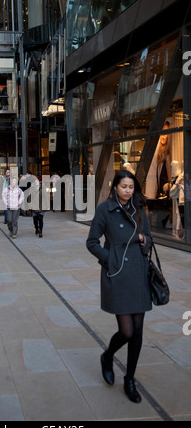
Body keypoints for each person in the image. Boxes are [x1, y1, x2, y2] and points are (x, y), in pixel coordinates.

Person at [86, 170, 152, 403]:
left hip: (138, 273)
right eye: (124, 186)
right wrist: (109, 258)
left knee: (138, 332)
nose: (128, 190)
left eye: (131, 187)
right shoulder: (105, 209)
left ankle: (130, 379)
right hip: (117, 273)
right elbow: (92, 242)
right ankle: (108, 356)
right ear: (115, 187)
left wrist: (144, 241)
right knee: (126, 331)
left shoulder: (140, 208)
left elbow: (149, 239)